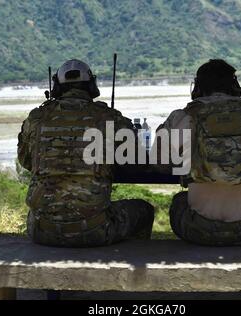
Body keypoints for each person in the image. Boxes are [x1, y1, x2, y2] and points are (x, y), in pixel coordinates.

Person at [154, 59, 241, 246]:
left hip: (200, 231)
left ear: (196, 89)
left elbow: (159, 163)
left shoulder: (181, 118)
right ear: (236, 87)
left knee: (180, 200)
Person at [17, 59, 154, 247]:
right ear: (91, 86)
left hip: (41, 230)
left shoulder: (36, 118)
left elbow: (26, 161)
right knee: (144, 210)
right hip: (95, 230)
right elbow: (137, 163)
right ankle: (127, 268)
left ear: (57, 87)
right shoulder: (110, 118)